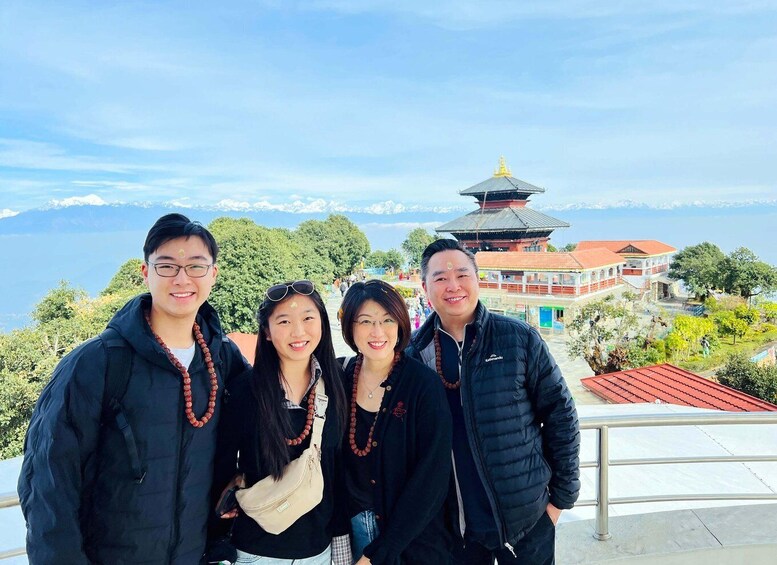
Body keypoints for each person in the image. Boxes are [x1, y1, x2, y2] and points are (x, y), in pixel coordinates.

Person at [18, 213, 250, 564]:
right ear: (146, 272)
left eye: (196, 266)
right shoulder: (96, 363)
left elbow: (264, 413)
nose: (182, 278)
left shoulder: (221, 358)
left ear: (213, 274)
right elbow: (48, 485)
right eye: (167, 266)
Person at [406, 239, 580, 565]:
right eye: (440, 278)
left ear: (478, 278)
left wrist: (560, 500)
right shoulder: (413, 355)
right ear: (425, 287)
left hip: (527, 520)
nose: (453, 286)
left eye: (462, 275)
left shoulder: (518, 339)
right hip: (456, 529)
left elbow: (561, 414)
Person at [212, 280, 348, 564]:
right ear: (267, 332)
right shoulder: (244, 391)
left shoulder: (339, 385)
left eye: (308, 318)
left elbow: (339, 471)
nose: (298, 332)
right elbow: (220, 465)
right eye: (284, 321)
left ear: (322, 323)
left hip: (318, 552)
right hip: (255, 552)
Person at [338, 280, 454, 564]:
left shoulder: (423, 384)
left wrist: (382, 551)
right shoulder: (340, 377)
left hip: (412, 537)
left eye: (387, 320)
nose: (377, 332)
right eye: (366, 321)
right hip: (351, 530)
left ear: (400, 324)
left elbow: (432, 476)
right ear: (350, 327)